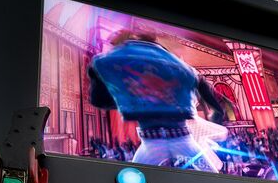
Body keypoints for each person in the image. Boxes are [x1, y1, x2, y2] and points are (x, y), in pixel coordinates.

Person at [88, 30, 227, 169]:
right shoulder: (174, 63)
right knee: (210, 175)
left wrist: (126, 98)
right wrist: (217, 111)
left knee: (134, 177)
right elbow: (199, 80)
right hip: (181, 138)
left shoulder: (120, 59)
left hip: (152, 142)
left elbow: (98, 100)